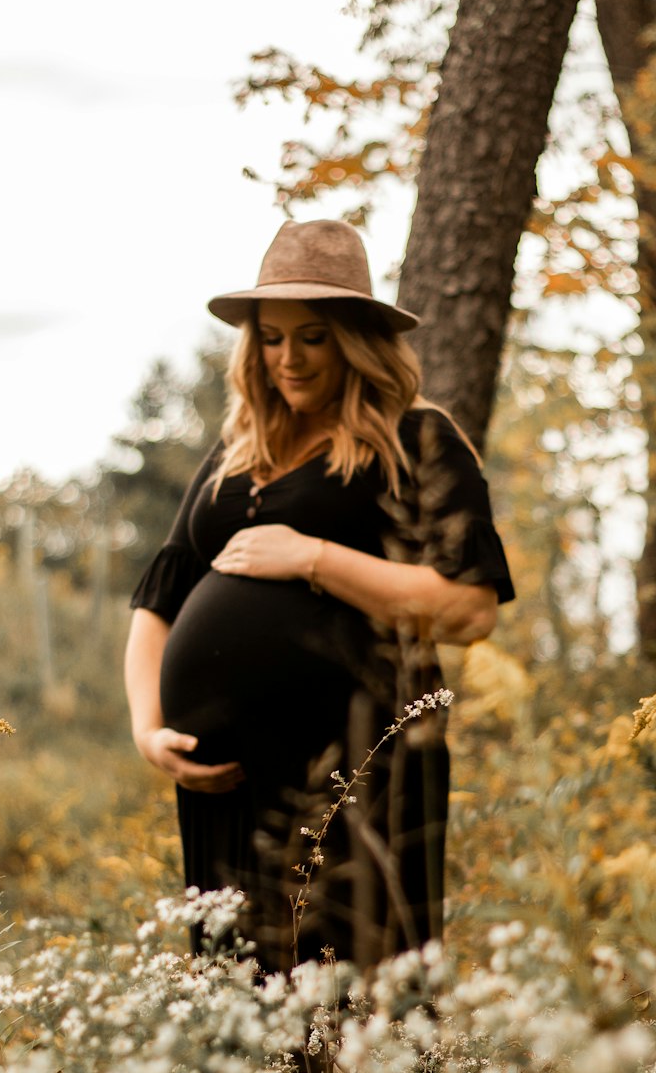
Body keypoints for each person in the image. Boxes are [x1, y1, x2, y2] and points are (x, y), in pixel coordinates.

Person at [124, 218, 514, 978]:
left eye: (312, 337)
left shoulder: (415, 440)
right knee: (235, 1010)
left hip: (355, 771)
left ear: (356, 339)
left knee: (351, 996)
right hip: (223, 786)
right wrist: (148, 728)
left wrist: (312, 557)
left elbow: (469, 609)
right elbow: (161, 596)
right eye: (271, 337)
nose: (288, 358)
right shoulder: (236, 452)